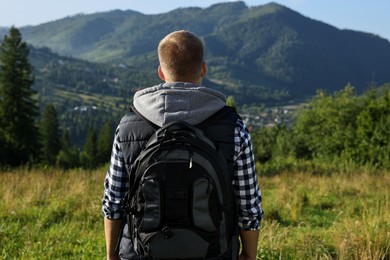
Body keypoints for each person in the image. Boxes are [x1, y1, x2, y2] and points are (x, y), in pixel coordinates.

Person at [102, 30, 263, 260]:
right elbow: (249, 205)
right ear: (203, 69)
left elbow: (114, 200)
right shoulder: (234, 128)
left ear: (161, 71)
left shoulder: (128, 127)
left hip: (141, 252)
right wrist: (249, 254)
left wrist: (111, 254)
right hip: (214, 252)